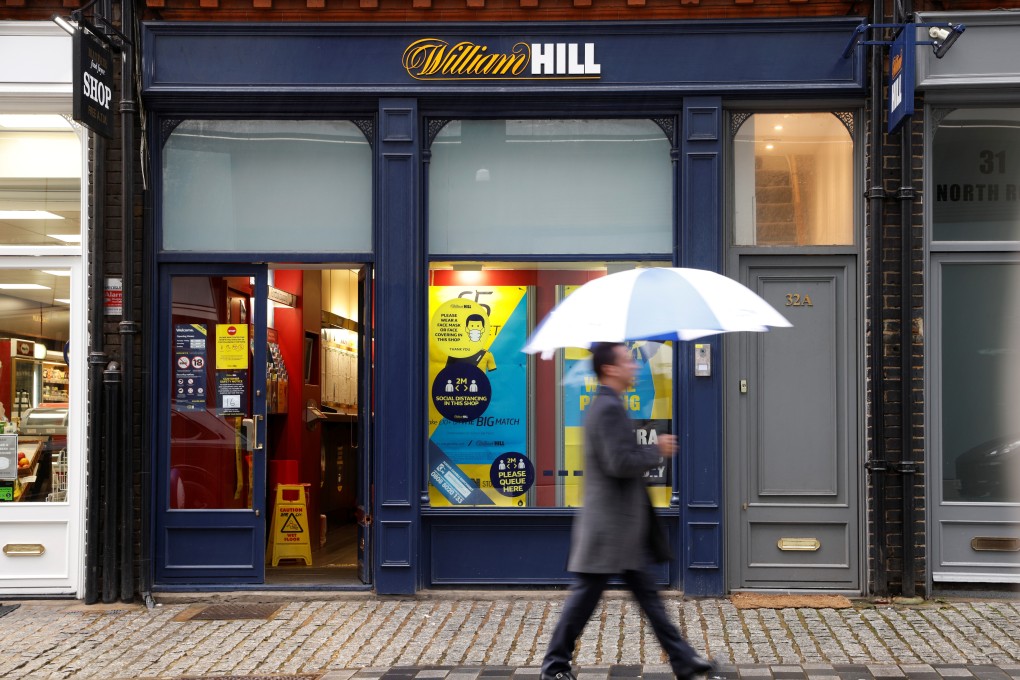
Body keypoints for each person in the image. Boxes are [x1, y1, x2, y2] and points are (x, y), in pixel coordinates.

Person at [540, 342, 715, 680]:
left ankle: (684, 660)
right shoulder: (606, 408)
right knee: (585, 601)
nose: (634, 367)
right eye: (626, 361)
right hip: (609, 529)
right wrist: (656, 449)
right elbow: (618, 463)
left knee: (648, 598)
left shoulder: (611, 406)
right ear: (610, 369)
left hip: (619, 528)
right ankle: (554, 666)